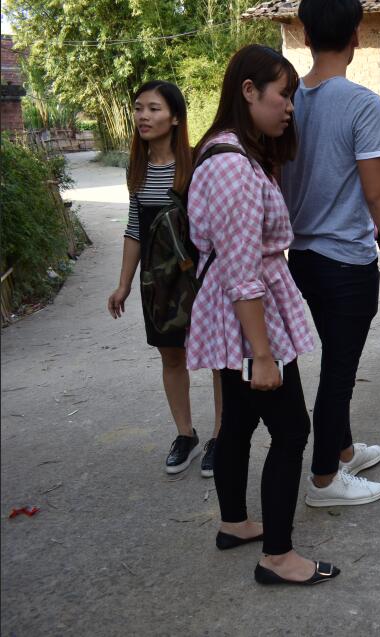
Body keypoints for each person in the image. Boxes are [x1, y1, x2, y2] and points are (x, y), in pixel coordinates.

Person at [187, 44, 337, 585]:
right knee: (292, 429)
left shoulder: (233, 154)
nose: (290, 107)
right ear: (248, 91)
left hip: (241, 316)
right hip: (249, 320)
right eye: (283, 94)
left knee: (239, 420)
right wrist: (264, 354)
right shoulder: (233, 166)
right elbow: (242, 272)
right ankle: (278, 556)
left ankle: (234, 522)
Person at [281, 0, 380, 507]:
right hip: (346, 261)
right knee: (339, 373)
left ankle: (342, 451)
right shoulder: (362, 104)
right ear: (357, 37)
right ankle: (324, 480)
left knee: (335, 360)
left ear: (305, 36)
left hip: (302, 258)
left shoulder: (286, 99)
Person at [106, 80, 221, 477]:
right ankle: (185, 435)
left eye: (153, 109)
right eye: (139, 108)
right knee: (171, 355)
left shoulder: (197, 164)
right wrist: (124, 283)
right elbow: (135, 229)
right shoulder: (136, 170)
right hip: (158, 282)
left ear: (175, 117)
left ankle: (221, 437)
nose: (143, 116)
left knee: (216, 356)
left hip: (199, 278)